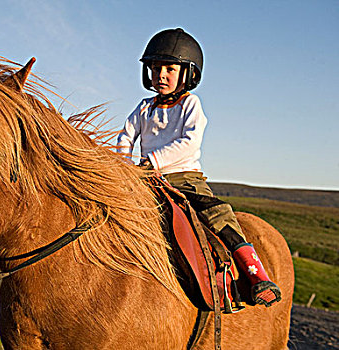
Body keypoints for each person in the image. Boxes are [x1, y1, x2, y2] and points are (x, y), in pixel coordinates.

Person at [117, 28, 281, 307]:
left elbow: (189, 142)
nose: (161, 75)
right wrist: (122, 163)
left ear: (188, 73)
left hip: (184, 179)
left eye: (170, 68)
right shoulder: (144, 107)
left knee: (217, 214)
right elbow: (125, 135)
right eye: (156, 68)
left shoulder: (190, 104)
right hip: (145, 178)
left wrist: (152, 161)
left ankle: (256, 275)